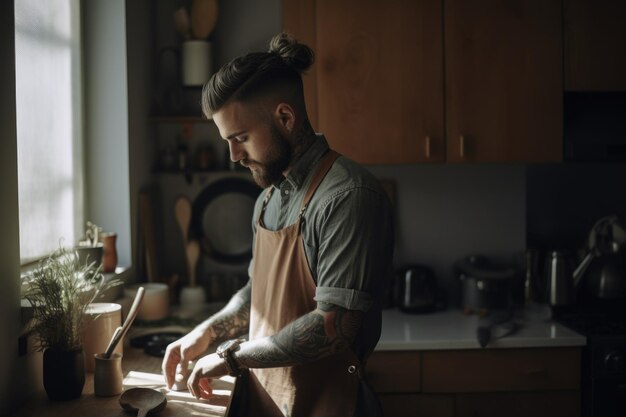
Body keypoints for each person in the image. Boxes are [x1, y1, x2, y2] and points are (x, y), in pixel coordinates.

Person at [162, 32, 394, 417]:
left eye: (240, 138)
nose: (234, 156)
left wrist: (233, 357)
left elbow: (333, 327)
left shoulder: (347, 196)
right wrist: (207, 332)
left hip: (330, 404)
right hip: (268, 400)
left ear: (285, 118)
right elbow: (259, 291)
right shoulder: (267, 199)